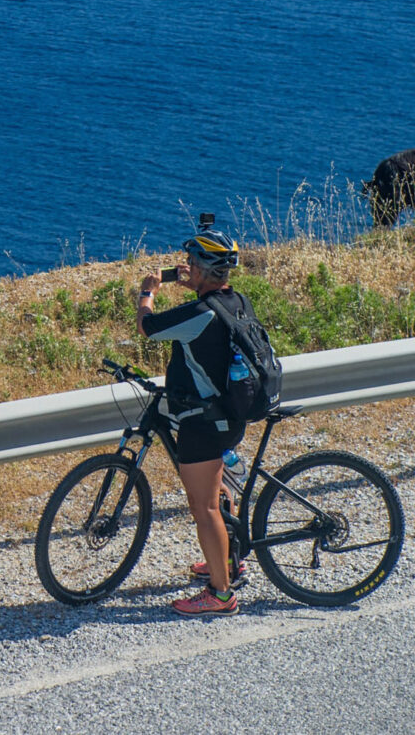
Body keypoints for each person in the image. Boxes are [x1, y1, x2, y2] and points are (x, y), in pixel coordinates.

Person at [136, 224, 263, 617]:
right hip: (230, 414)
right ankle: (228, 559)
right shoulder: (236, 301)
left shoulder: (200, 313)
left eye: (193, 262)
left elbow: (147, 327)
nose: (186, 266)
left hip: (204, 421)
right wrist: (194, 285)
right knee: (217, 490)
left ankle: (220, 594)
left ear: (207, 269)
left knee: (203, 505)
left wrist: (149, 292)